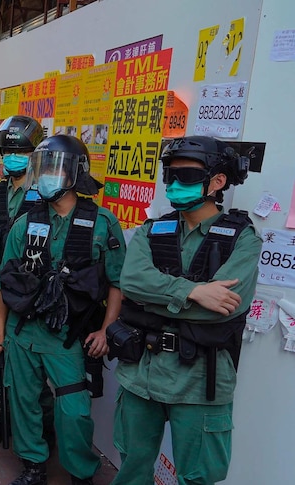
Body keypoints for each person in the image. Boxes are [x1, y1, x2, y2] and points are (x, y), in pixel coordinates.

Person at [109, 136, 260, 485]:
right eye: (171, 174)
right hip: (141, 372)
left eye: (188, 175)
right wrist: (193, 291)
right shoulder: (152, 230)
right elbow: (131, 281)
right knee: (131, 469)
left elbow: (223, 307)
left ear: (218, 181)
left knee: (199, 476)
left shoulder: (243, 238)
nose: (175, 184)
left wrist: (156, 300)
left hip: (200, 379)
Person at [0, 135, 126, 485]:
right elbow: (6, 283)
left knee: (75, 411)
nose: (46, 176)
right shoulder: (25, 223)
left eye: (55, 168)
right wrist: (0, 334)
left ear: (74, 173)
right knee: (23, 403)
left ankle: (80, 472)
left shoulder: (102, 223)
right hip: (24, 332)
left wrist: (106, 329)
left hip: (69, 336)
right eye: (43, 169)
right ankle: (33, 463)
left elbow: (117, 282)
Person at [0, 115, 55, 448]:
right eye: (8, 150)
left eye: (20, 150)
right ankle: (1, 419)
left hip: (30, 300)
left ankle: (43, 428)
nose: (12, 156)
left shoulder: (46, 194)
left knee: (31, 373)